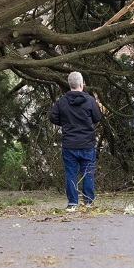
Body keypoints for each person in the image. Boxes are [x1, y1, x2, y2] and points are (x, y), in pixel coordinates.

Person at [49, 71, 102, 212]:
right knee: (88, 173)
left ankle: (72, 203)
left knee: (71, 174)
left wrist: (65, 123)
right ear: (81, 84)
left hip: (69, 143)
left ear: (70, 84)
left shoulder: (62, 101)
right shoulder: (90, 100)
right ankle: (88, 202)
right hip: (87, 143)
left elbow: (52, 117)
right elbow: (97, 117)